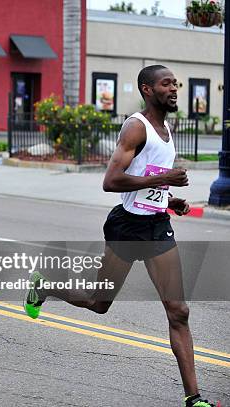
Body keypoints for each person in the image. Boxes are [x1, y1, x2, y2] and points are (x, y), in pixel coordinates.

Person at [24, 65, 214, 407]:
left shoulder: (166, 128)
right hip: (126, 227)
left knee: (178, 310)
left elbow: (144, 181)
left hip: (156, 225)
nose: (174, 89)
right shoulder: (135, 127)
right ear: (147, 89)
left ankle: (194, 398)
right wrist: (163, 180)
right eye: (166, 84)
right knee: (99, 304)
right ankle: (45, 284)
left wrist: (170, 200)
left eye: (175, 84)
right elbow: (111, 181)